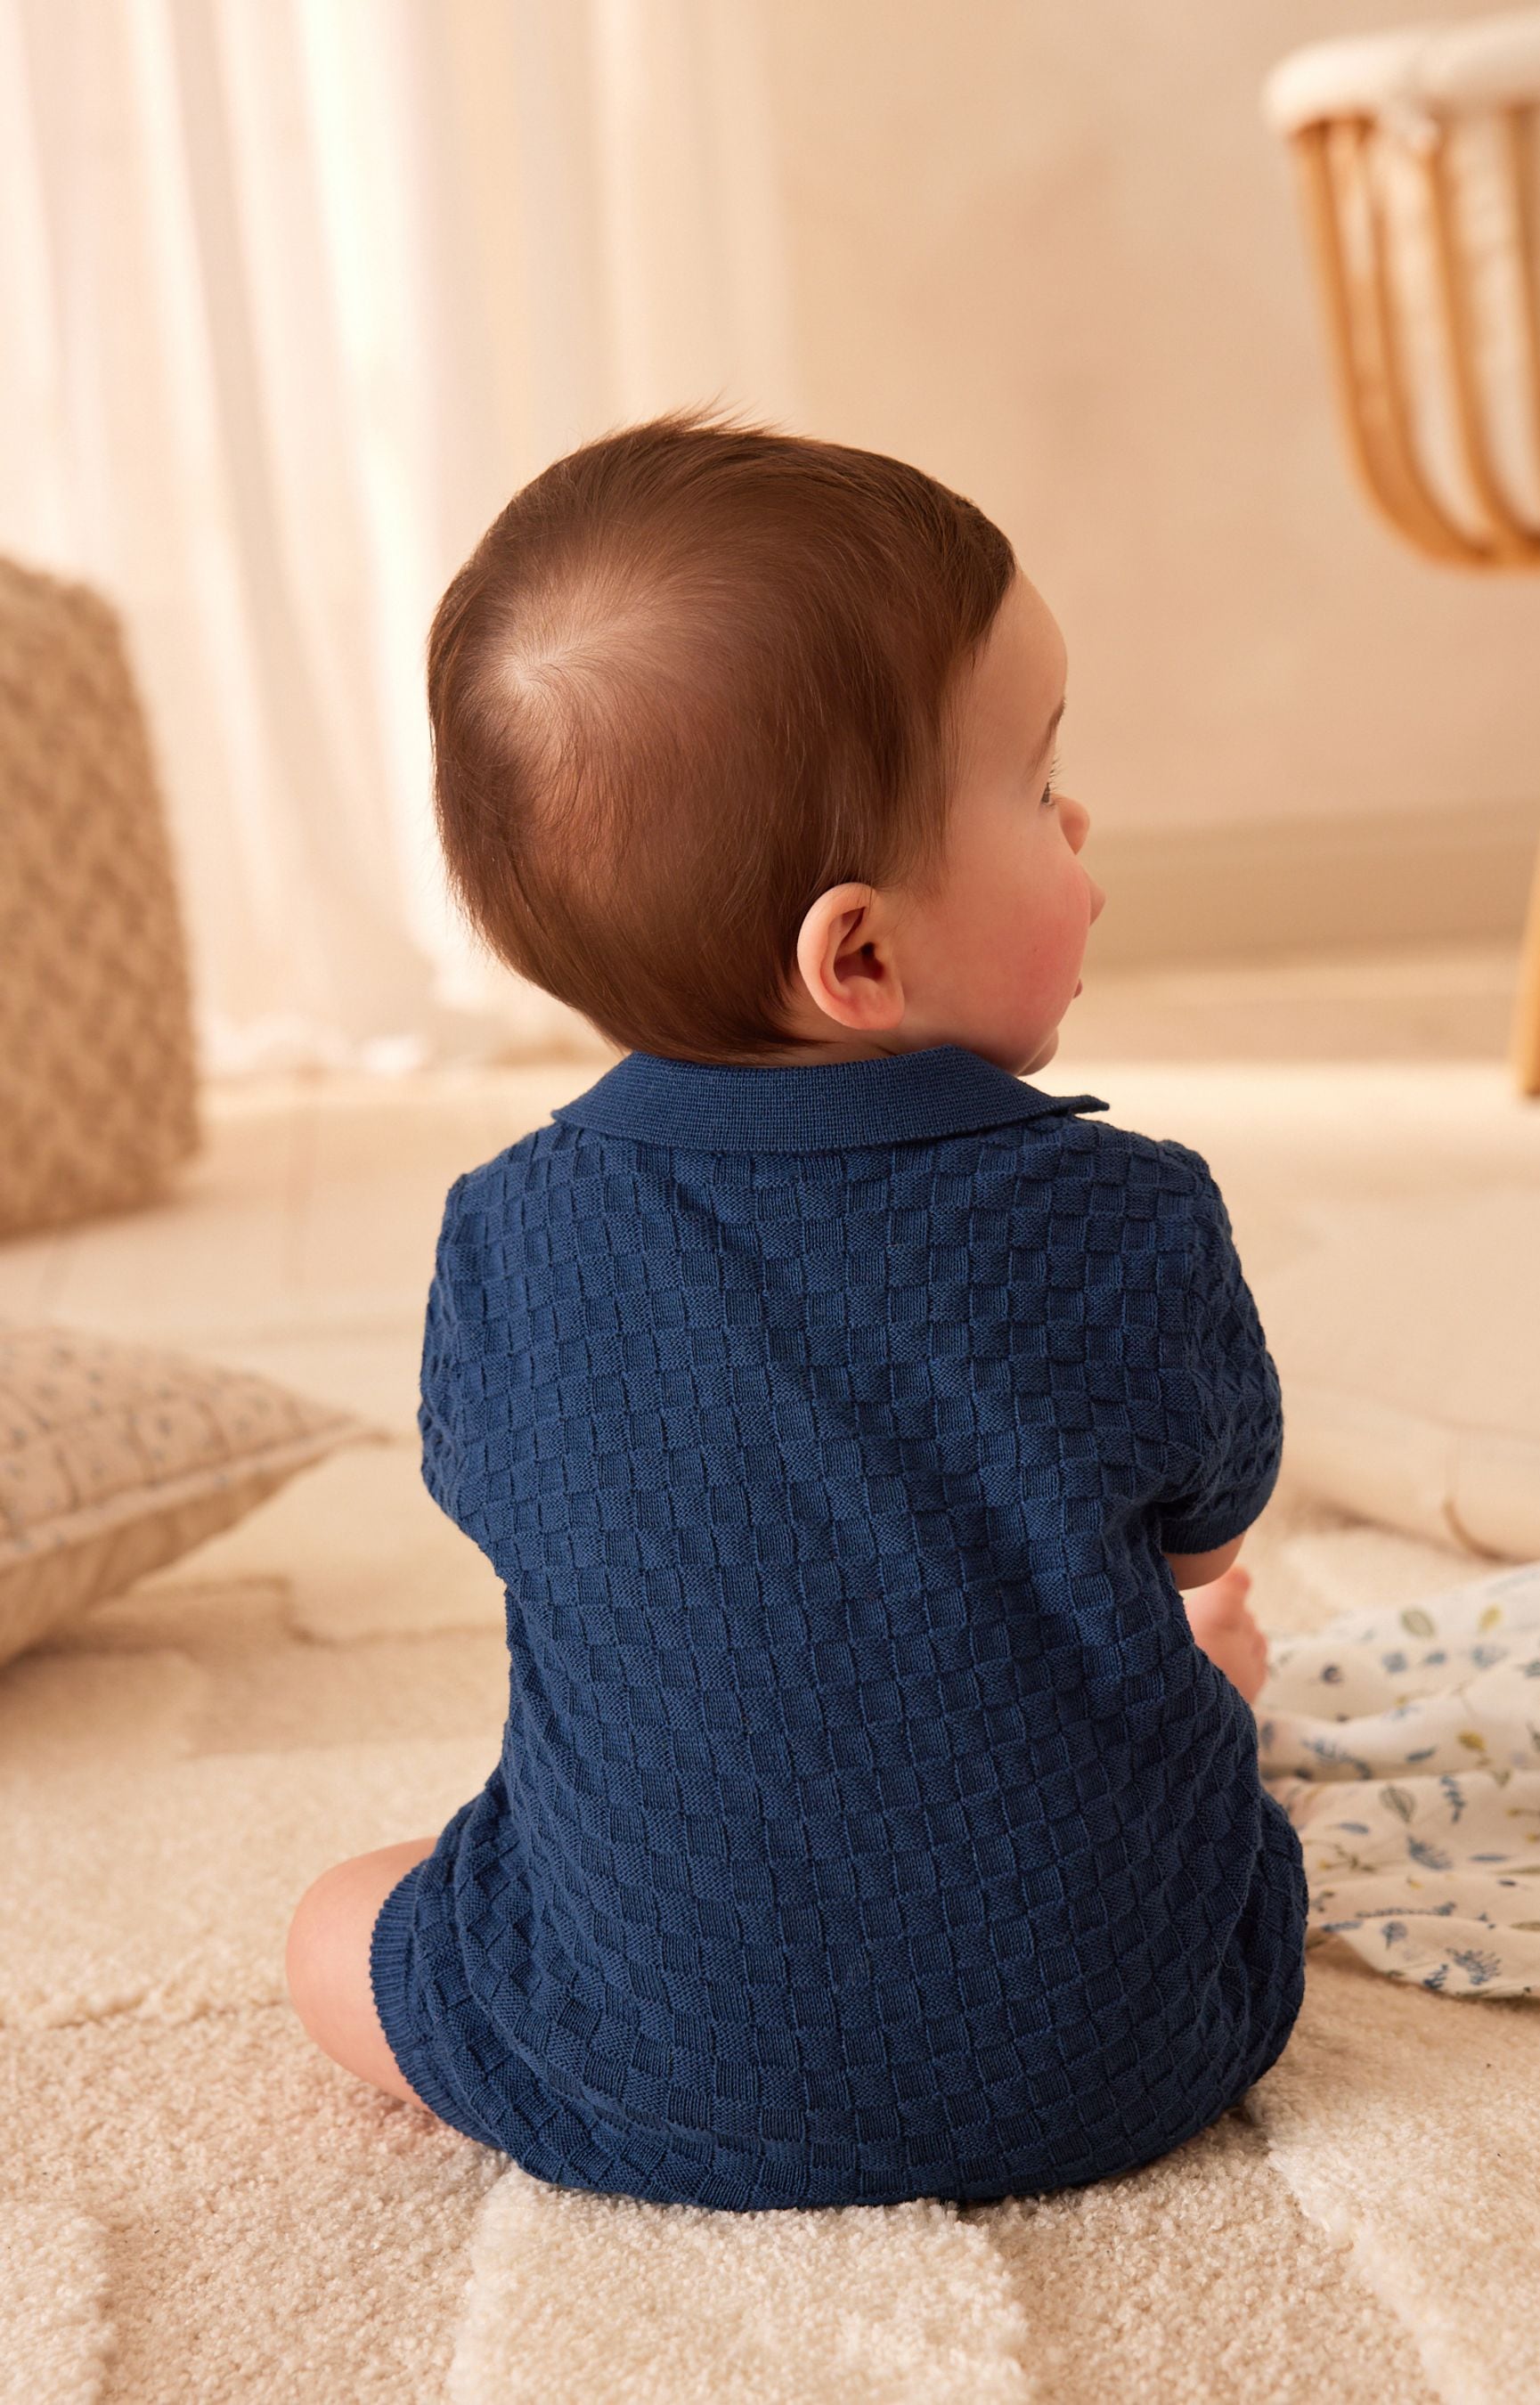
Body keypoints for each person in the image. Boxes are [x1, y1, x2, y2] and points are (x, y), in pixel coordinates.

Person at [285, 407, 1306, 2209]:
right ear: (860, 956)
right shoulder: (1136, 1220)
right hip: (1142, 2045)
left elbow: (545, 1520)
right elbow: (1197, 1534)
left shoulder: (506, 1248)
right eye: (1033, 782)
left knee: (332, 1928)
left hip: (652, 2073)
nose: (1081, 818)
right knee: (1195, 1655)